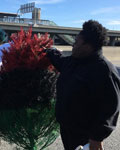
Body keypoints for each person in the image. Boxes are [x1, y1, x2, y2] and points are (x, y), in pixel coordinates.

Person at [44, 20, 120, 150]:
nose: (73, 46)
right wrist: (47, 51)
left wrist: (97, 137)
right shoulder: (74, 62)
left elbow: (110, 108)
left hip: (85, 134)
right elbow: (59, 60)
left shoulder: (104, 70)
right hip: (67, 128)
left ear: (88, 46)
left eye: (76, 43)